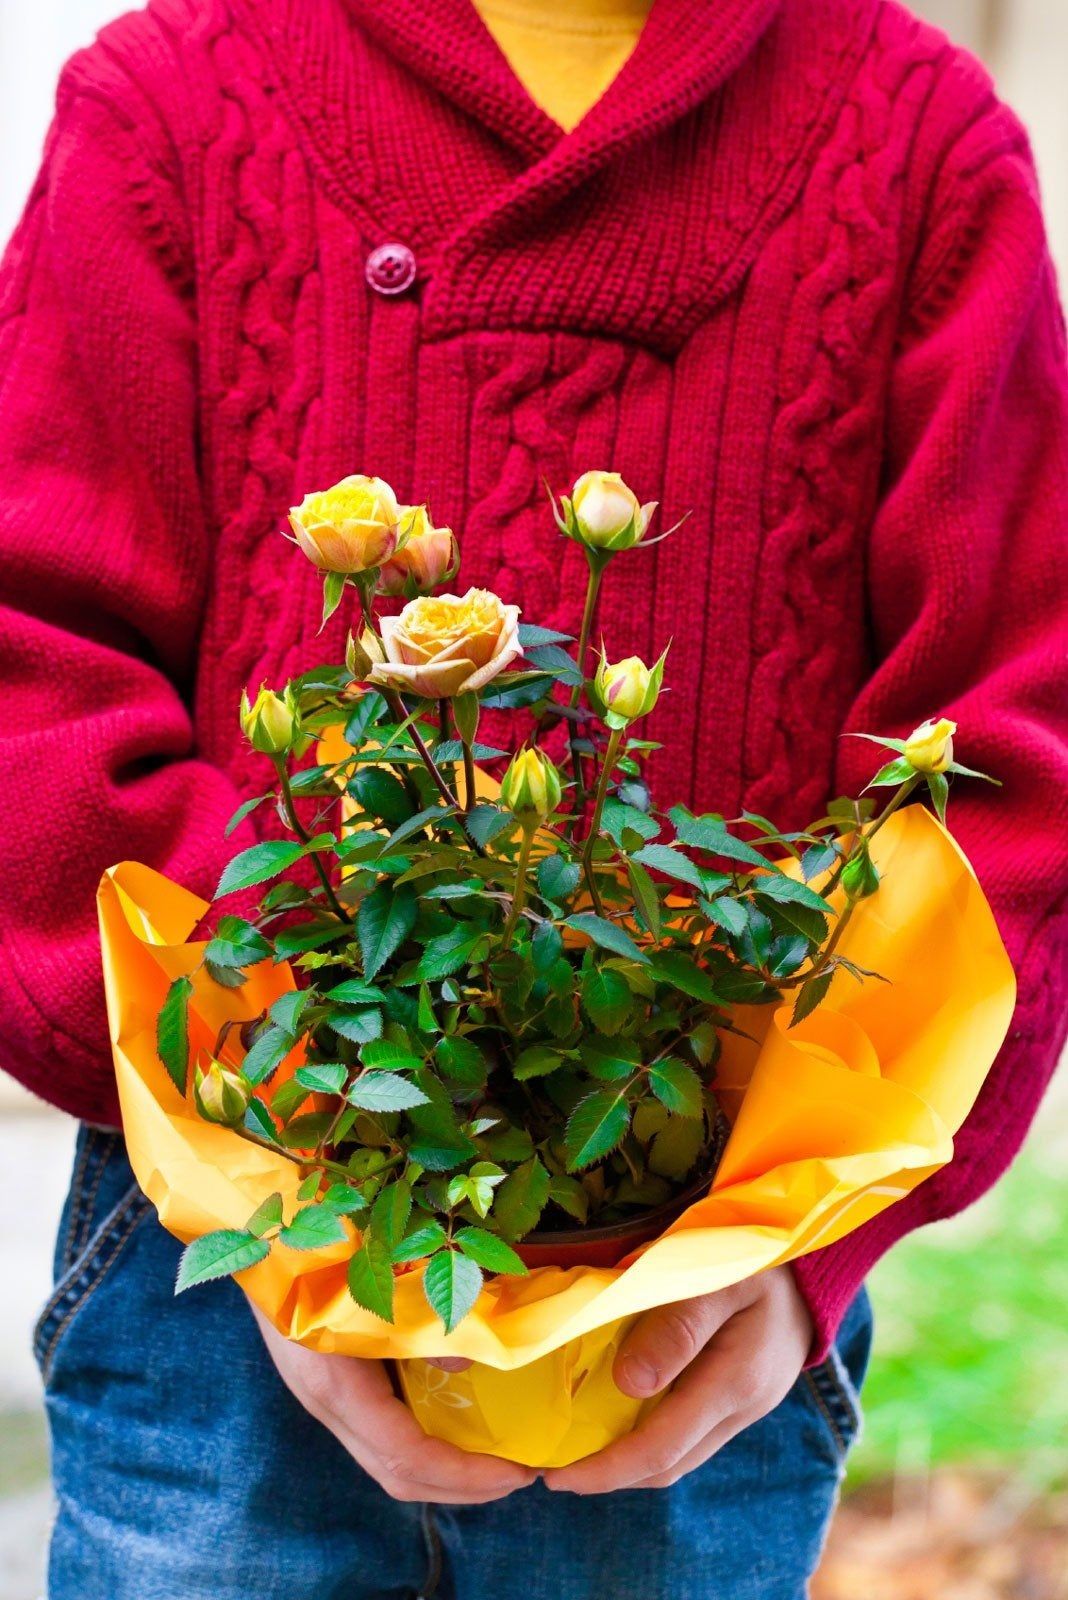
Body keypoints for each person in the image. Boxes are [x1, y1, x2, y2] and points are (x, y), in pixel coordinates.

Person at [2, 0, 1066, 1595]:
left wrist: (797, 1264)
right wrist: (280, 1163)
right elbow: (38, 671)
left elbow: (1009, 736)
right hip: (219, 1275)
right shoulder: (175, 99)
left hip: (700, 1285)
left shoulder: (911, 137)